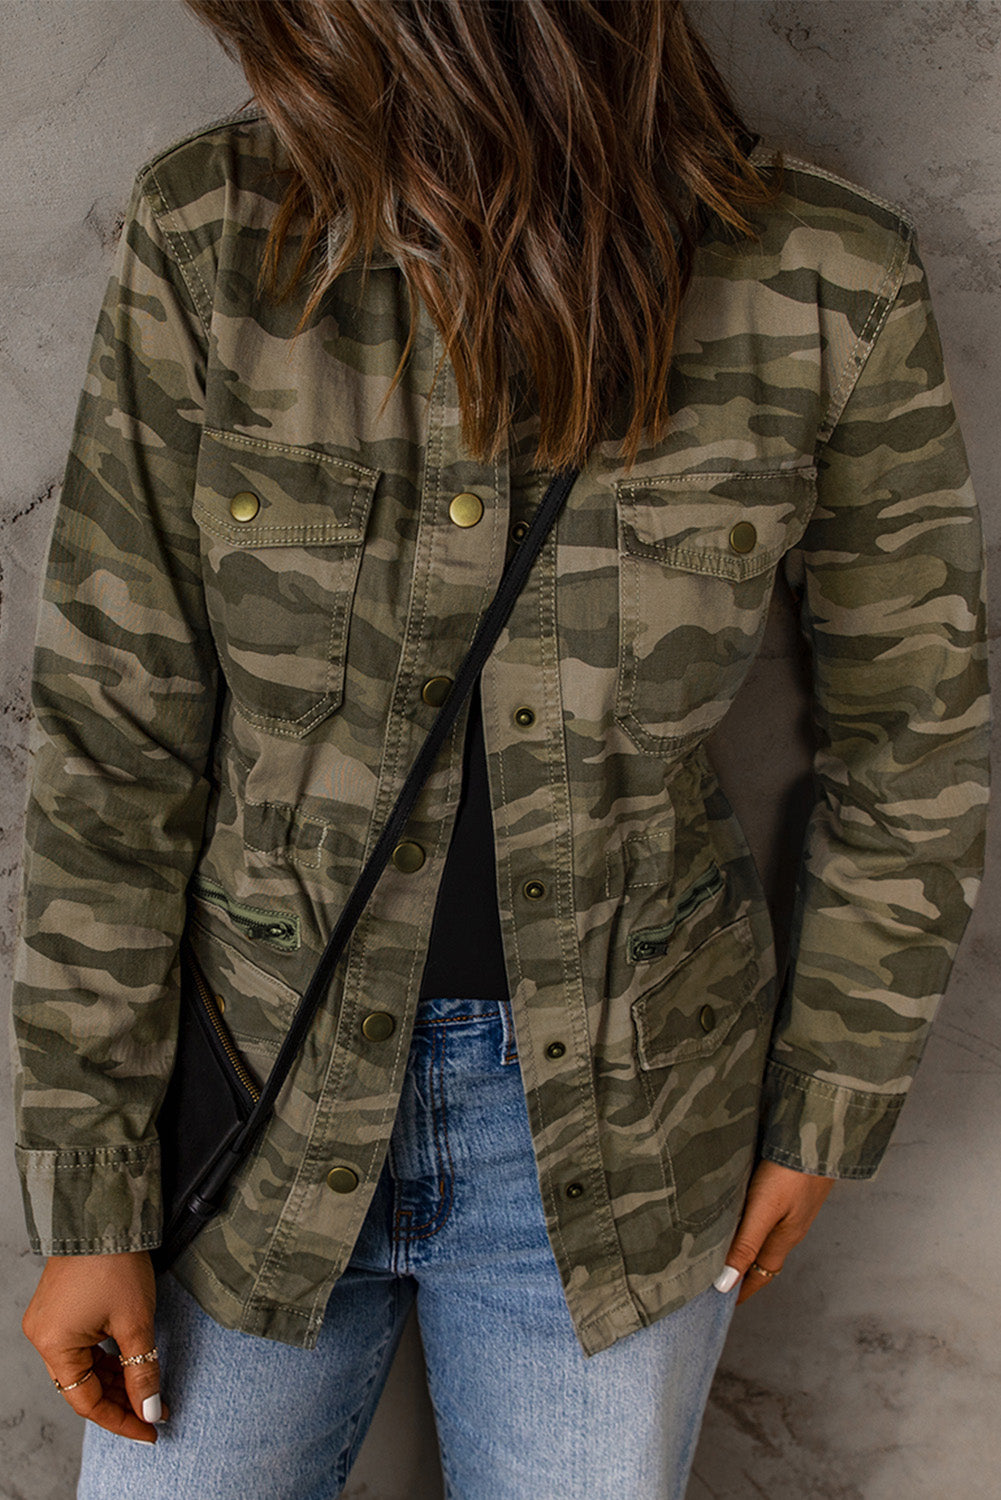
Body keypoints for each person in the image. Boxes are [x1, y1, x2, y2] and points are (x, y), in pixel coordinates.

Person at [11, 2, 989, 1497]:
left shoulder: (823, 278)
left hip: (631, 1136)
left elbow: (914, 731)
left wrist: (828, 1104)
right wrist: (90, 1192)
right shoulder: (213, 233)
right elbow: (113, 728)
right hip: (246, 1111)